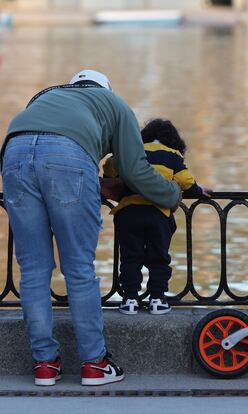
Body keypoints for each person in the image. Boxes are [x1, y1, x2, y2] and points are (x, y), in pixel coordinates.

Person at [0, 70, 181, 386]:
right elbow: (134, 169)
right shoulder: (114, 103)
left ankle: (44, 365)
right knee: (78, 268)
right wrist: (171, 194)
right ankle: (95, 364)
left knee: (32, 269)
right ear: (106, 89)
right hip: (68, 156)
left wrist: (92, 182)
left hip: (13, 152)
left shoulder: (46, 95)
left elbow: (39, 147)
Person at [103, 118, 212, 315]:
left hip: (129, 213)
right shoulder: (172, 156)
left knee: (130, 257)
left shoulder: (130, 152)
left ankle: (129, 300)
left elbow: (111, 167)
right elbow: (186, 181)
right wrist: (197, 190)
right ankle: (157, 299)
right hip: (158, 214)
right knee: (159, 258)